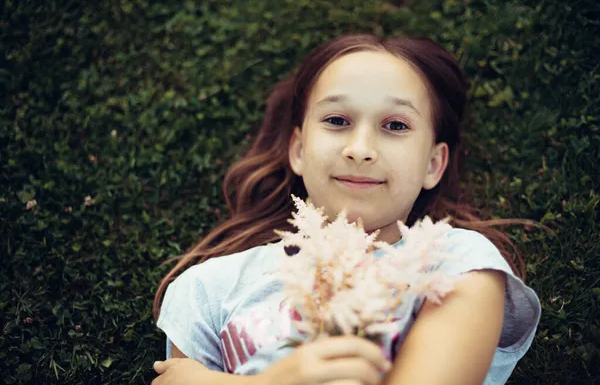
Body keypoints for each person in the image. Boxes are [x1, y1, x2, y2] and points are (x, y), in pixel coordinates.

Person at [151, 34, 541, 385]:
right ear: (299, 150)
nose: (360, 148)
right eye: (337, 120)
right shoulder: (208, 290)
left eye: (396, 125)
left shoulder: (456, 265)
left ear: (432, 165)